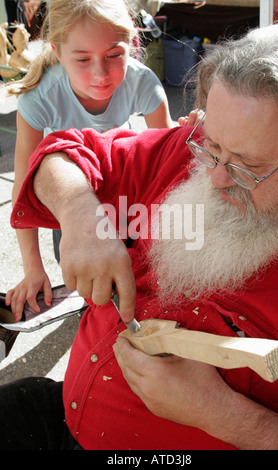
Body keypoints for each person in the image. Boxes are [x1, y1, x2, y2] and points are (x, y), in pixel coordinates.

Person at [2, 21, 278, 450]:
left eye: (247, 166)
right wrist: (81, 215)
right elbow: (62, 155)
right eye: (211, 146)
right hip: (67, 420)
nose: (215, 178)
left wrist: (225, 417)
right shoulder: (184, 149)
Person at [4, 0, 174, 320]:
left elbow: (168, 158)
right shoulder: (39, 97)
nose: (100, 74)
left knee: (129, 258)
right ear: (57, 52)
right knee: (84, 268)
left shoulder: (143, 82)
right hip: (67, 186)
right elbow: (24, 185)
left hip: (122, 181)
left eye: (114, 55)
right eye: (82, 59)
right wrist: (32, 268)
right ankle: (94, 313)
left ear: (132, 45)